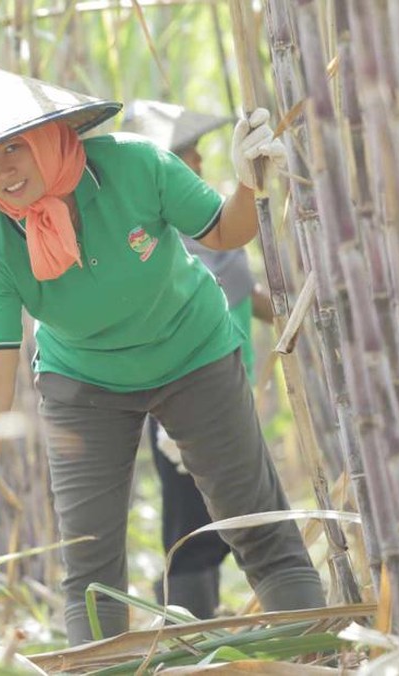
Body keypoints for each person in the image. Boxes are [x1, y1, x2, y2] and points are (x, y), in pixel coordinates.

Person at [0, 65, 324, 645]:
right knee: (88, 567)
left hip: (194, 355)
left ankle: (311, 649)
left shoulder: (138, 165)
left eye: (15, 146)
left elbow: (224, 234)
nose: (3, 169)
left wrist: (248, 186)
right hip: (84, 387)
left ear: (51, 135)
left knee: (256, 527)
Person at [121, 99, 275, 620]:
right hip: (181, 399)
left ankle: (219, 628)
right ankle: (188, 636)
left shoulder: (211, 229)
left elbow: (242, 294)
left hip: (226, 387)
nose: (201, 165)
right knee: (191, 523)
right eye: (188, 155)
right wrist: (168, 421)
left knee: (241, 510)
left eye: (199, 153)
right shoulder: (154, 238)